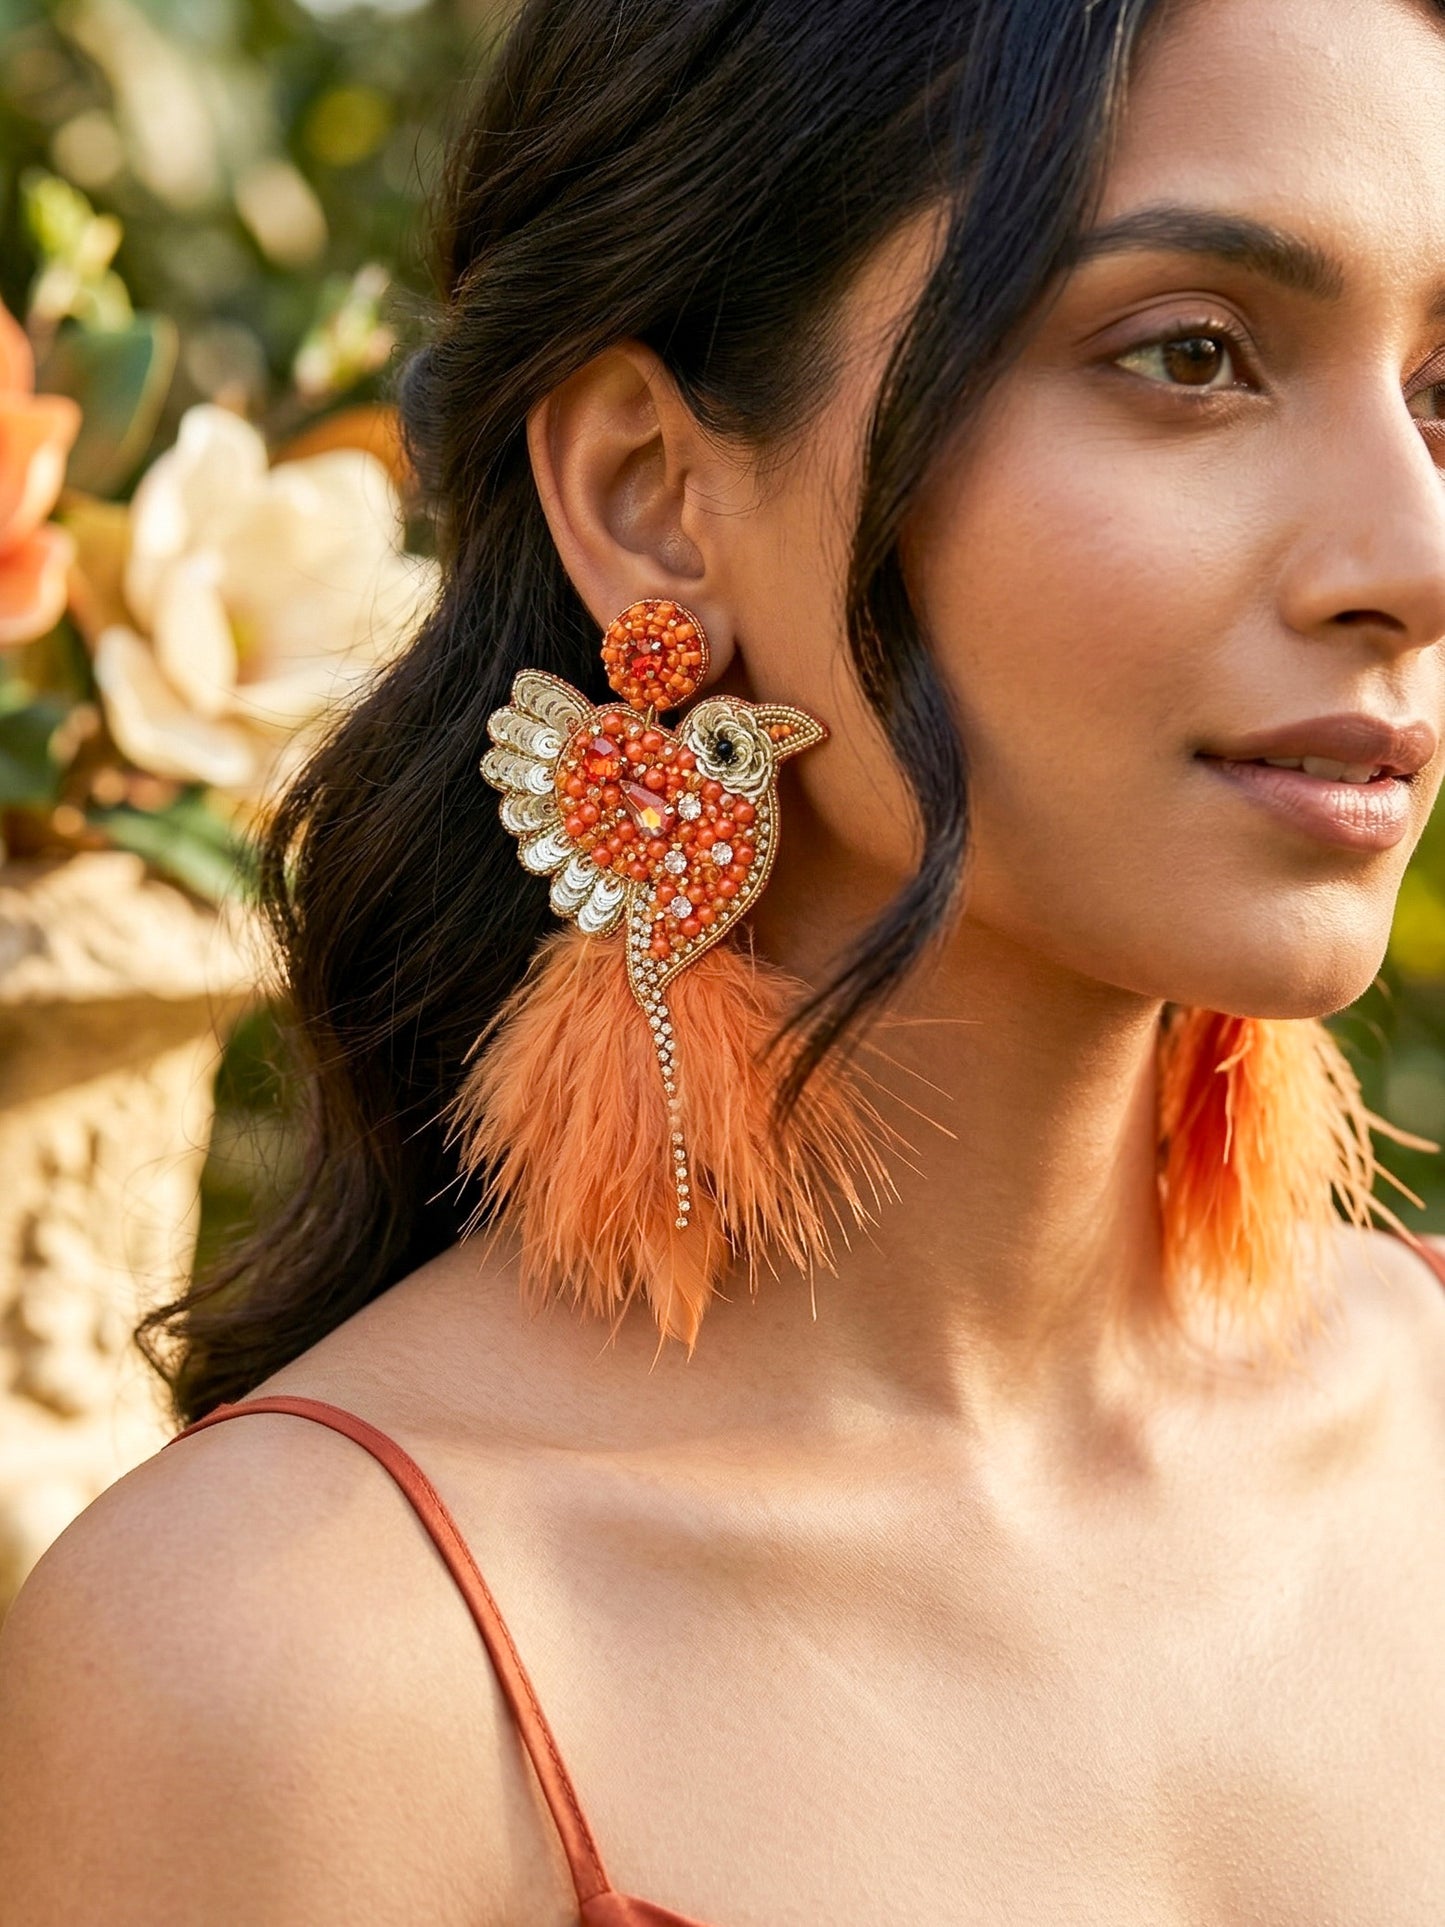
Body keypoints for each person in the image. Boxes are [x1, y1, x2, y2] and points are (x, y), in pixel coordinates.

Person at [4, 0, 1445, 1918]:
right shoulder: (288, 1671)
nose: (1412, 556)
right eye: (1189, 356)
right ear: (650, 496)